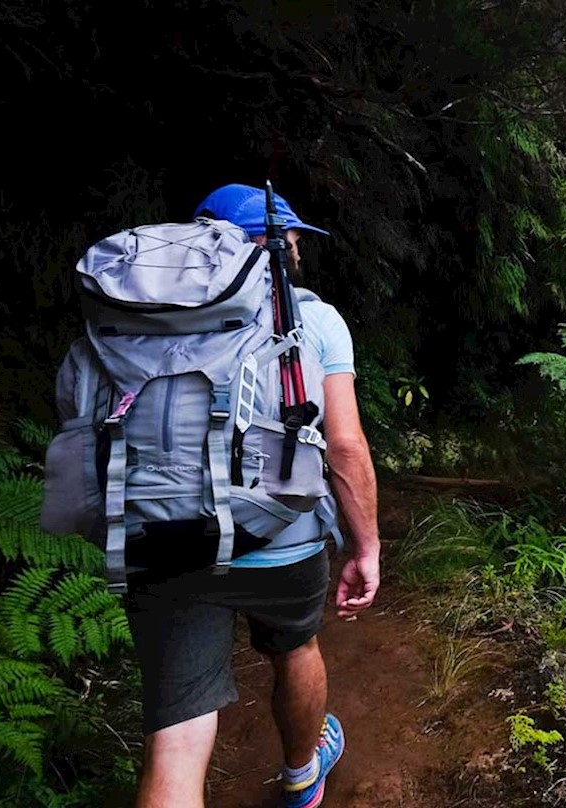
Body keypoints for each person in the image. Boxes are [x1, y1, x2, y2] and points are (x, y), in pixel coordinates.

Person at [123, 184, 381, 808]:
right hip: (282, 542)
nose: (299, 252)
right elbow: (343, 447)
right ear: (275, 247)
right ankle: (301, 776)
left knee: (178, 739)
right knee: (295, 646)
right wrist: (365, 545)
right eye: (292, 240)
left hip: (165, 538)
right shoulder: (315, 320)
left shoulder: (142, 318)